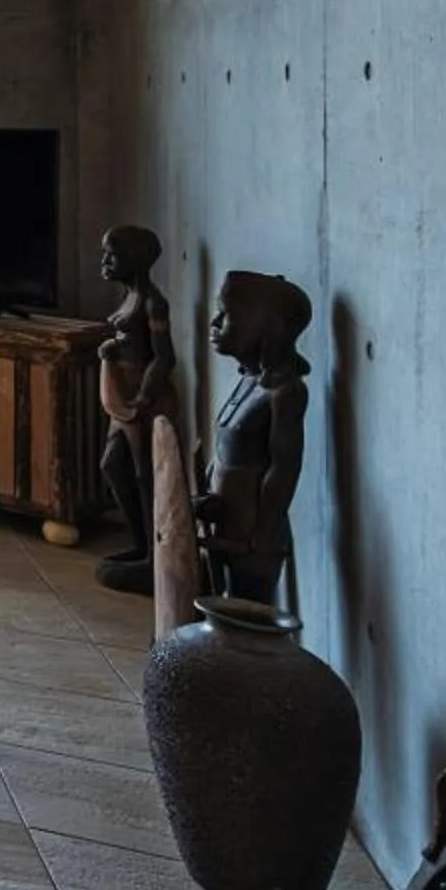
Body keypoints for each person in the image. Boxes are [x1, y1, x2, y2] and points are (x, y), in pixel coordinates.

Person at [195, 269, 310, 607]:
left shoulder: (286, 393)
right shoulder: (248, 381)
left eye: (227, 315)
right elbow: (226, 450)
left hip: (251, 536)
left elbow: (284, 469)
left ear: (264, 327)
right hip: (225, 523)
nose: (215, 323)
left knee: (246, 621)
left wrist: (260, 536)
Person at [92, 225, 177, 596]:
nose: (105, 261)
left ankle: (153, 554)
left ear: (135, 258)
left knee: (146, 476)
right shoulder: (130, 297)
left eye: (112, 254)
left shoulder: (153, 302)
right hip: (121, 396)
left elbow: (164, 357)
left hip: (142, 397)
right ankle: (142, 543)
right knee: (113, 465)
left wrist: (143, 397)